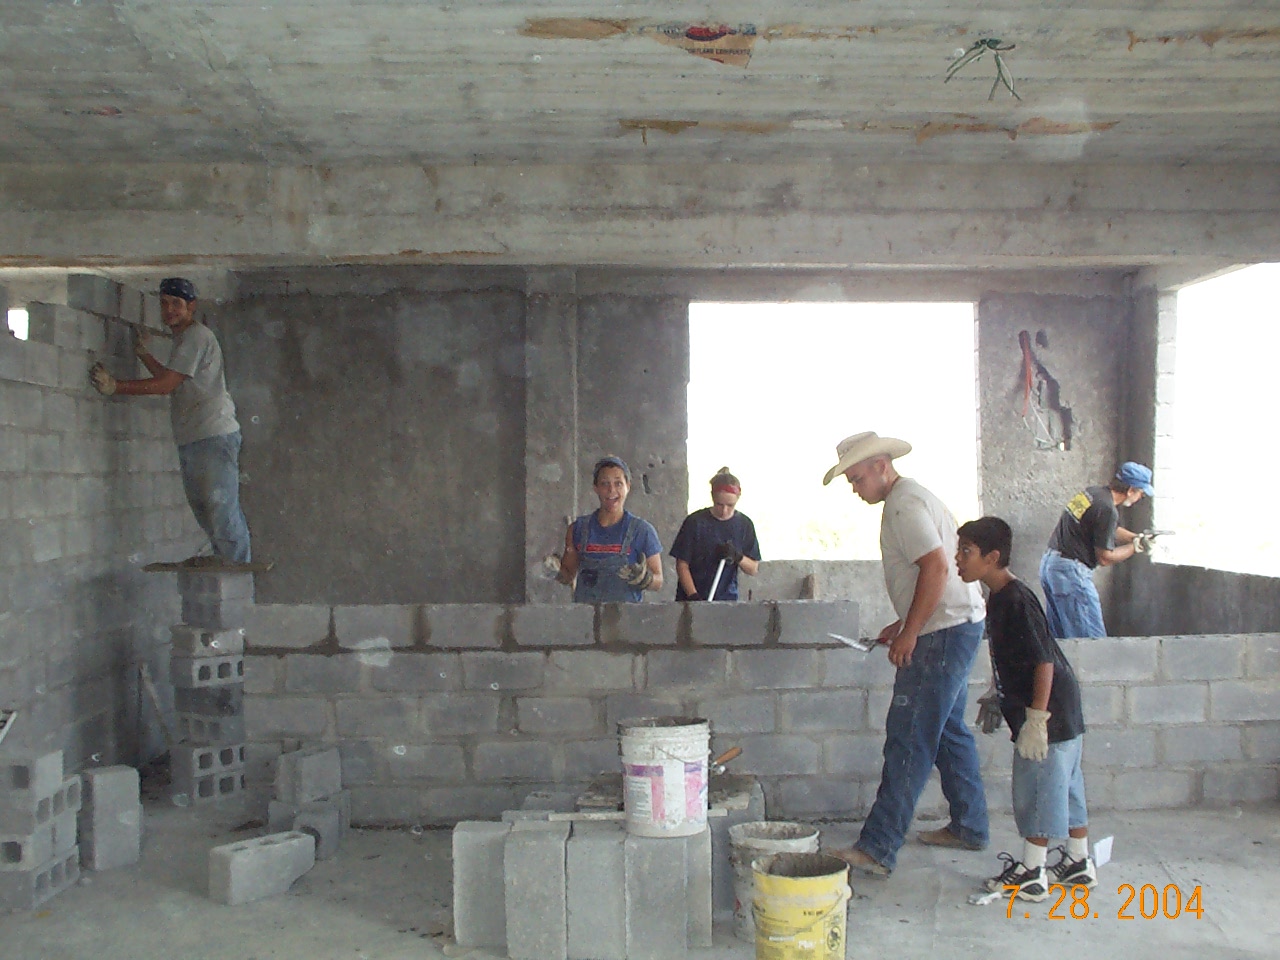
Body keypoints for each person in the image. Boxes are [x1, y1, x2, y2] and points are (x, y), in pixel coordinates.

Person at [821, 432, 988, 876]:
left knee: (910, 735)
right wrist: (903, 623)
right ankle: (970, 825)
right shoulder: (911, 498)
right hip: (957, 623)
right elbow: (933, 574)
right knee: (947, 731)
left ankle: (878, 847)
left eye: (857, 479)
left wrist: (911, 632)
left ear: (881, 466)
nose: (855, 489)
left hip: (942, 633)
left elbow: (937, 566)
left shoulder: (903, 505)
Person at [956, 516, 1094, 900]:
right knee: (1067, 786)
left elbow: (1043, 659)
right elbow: (1013, 656)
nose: (958, 559)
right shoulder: (999, 598)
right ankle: (1078, 861)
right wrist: (997, 692)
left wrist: (1036, 718)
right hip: (1060, 706)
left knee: (1038, 788)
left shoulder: (1015, 599)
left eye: (966, 551)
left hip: (1049, 709)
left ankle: (1032, 873)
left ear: (992, 557)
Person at [89, 277, 252, 565]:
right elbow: (175, 379)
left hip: (213, 434)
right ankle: (226, 566)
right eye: (164, 304)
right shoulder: (185, 339)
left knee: (220, 509)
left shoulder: (196, 336)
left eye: (176, 303)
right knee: (206, 510)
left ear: (191, 306)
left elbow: (166, 385)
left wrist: (116, 386)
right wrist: (145, 356)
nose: (169, 310)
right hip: (195, 437)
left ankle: (237, 571)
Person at [1039, 461, 1154, 638]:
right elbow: (1105, 558)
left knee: (1063, 639)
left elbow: (1107, 529)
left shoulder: (1093, 494)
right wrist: (1135, 547)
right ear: (1131, 490)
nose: (1140, 498)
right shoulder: (1107, 509)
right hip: (1071, 573)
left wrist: (1135, 537)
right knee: (1091, 642)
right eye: (1141, 493)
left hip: (1051, 566)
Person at [556, 455, 663, 603]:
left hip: (626, 616)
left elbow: (658, 581)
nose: (611, 490)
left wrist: (646, 579)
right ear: (596, 488)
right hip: (587, 616)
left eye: (618, 483)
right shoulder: (578, 529)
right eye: (605, 484)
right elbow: (568, 576)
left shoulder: (642, 531)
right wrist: (555, 571)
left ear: (628, 487)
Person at [670, 466, 761, 601]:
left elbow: (753, 569)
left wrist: (737, 556)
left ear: (738, 498)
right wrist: (693, 596)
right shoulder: (695, 522)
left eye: (730, 505)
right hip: (691, 598)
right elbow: (682, 565)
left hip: (726, 600)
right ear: (712, 496)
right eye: (719, 504)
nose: (724, 511)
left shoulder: (744, 525)